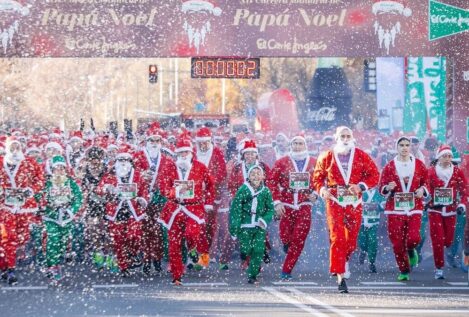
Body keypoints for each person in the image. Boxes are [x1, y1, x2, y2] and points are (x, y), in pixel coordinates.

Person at [312, 126, 379, 293]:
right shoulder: (326, 156)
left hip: (354, 202)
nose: (346, 138)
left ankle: (343, 260)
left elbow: (374, 175)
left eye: (348, 135)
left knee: (351, 240)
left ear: (353, 137)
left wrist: (361, 186)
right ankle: (340, 275)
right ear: (336, 137)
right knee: (337, 237)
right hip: (334, 201)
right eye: (342, 135)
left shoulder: (362, 155)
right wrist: (322, 190)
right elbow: (317, 178)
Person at [157, 138, 215, 286]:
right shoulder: (169, 167)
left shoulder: (200, 167)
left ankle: (193, 249)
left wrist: (208, 202)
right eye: (181, 152)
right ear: (177, 154)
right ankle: (177, 276)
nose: (183, 155)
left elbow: (210, 185)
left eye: (186, 152)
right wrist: (173, 191)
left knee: (192, 233)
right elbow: (163, 188)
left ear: (191, 153)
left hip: (193, 208)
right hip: (174, 209)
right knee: (174, 244)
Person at [379, 136, 429, 281]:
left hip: (414, 207)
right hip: (395, 209)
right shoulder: (389, 166)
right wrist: (387, 187)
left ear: (411, 147)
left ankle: (411, 249)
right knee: (397, 242)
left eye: (407, 145)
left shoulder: (419, 165)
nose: (405, 147)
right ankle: (404, 269)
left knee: (414, 237)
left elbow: (426, 182)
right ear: (397, 147)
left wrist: (422, 189)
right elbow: (381, 188)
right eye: (401, 145)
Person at [268, 134, 317, 280]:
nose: (297, 146)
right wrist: (276, 202)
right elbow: (271, 181)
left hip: (304, 204)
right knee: (285, 235)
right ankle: (286, 244)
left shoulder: (314, 162)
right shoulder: (282, 162)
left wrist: (315, 193)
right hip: (286, 204)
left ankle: (287, 270)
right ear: (291, 146)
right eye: (294, 143)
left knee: (299, 238)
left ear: (305, 145)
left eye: (300, 143)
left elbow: (321, 180)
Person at [96, 145, 149, 277]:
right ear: (116, 161)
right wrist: (106, 188)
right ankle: (123, 266)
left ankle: (132, 255)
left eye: (126, 159)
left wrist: (143, 199)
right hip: (116, 212)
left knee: (134, 235)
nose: (123, 162)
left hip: (133, 212)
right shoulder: (110, 175)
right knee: (118, 240)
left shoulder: (137, 175)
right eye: (121, 159)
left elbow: (144, 191)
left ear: (130, 161)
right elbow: (99, 189)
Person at [0, 136, 45, 285]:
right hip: (5, 207)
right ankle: (10, 269)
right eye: (12, 147)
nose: (14, 150)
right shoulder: (1, 163)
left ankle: (6, 264)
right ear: (7, 148)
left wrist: (31, 190)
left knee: (22, 238)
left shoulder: (29, 163)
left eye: (17, 147)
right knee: (8, 238)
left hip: (24, 207)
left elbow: (40, 178)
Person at [134, 126, 177, 276]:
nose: (154, 143)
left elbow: (173, 179)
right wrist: (141, 176)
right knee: (145, 231)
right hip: (143, 200)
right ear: (147, 141)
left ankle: (157, 259)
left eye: (157, 140)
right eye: (151, 140)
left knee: (158, 231)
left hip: (160, 200)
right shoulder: (138, 156)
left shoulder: (167, 160)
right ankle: (146, 260)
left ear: (161, 142)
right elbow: (131, 175)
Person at [39, 156, 82, 281]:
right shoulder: (47, 183)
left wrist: (71, 210)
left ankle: (56, 262)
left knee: (63, 242)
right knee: (53, 240)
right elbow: (39, 197)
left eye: (62, 168)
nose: (59, 170)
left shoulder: (70, 183)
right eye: (57, 168)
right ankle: (53, 265)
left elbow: (78, 198)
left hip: (66, 217)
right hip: (51, 217)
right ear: (52, 169)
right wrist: (45, 204)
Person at [427, 145, 467, 279]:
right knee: (437, 239)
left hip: (451, 210)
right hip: (435, 210)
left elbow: (465, 190)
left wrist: (462, 204)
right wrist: (426, 201)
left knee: (448, 240)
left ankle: (448, 249)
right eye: (444, 156)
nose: (447, 159)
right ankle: (439, 268)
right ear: (439, 157)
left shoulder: (457, 172)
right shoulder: (431, 171)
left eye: (449, 156)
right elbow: (424, 188)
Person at [229, 165, 275, 284]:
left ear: (263, 177)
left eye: (258, 174)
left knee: (257, 250)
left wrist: (264, 220)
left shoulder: (266, 191)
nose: (255, 176)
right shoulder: (243, 190)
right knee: (246, 248)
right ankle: (247, 254)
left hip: (259, 226)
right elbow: (236, 209)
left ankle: (252, 275)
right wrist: (235, 226)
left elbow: (270, 209)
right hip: (245, 226)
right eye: (253, 174)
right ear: (248, 177)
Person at [194, 127, 227, 269]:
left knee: (208, 227)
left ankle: (204, 257)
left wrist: (209, 181)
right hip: (194, 196)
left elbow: (222, 172)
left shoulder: (217, 153)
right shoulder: (193, 153)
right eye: (201, 143)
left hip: (212, 195)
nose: (203, 146)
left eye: (206, 143)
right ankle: (195, 256)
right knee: (195, 226)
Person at [358, 188, 385, 273]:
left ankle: (371, 262)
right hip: (361, 221)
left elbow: (383, 205)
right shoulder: (360, 190)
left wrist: (377, 206)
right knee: (361, 241)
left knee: (372, 241)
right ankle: (363, 250)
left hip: (374, 221)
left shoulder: (379, 193)